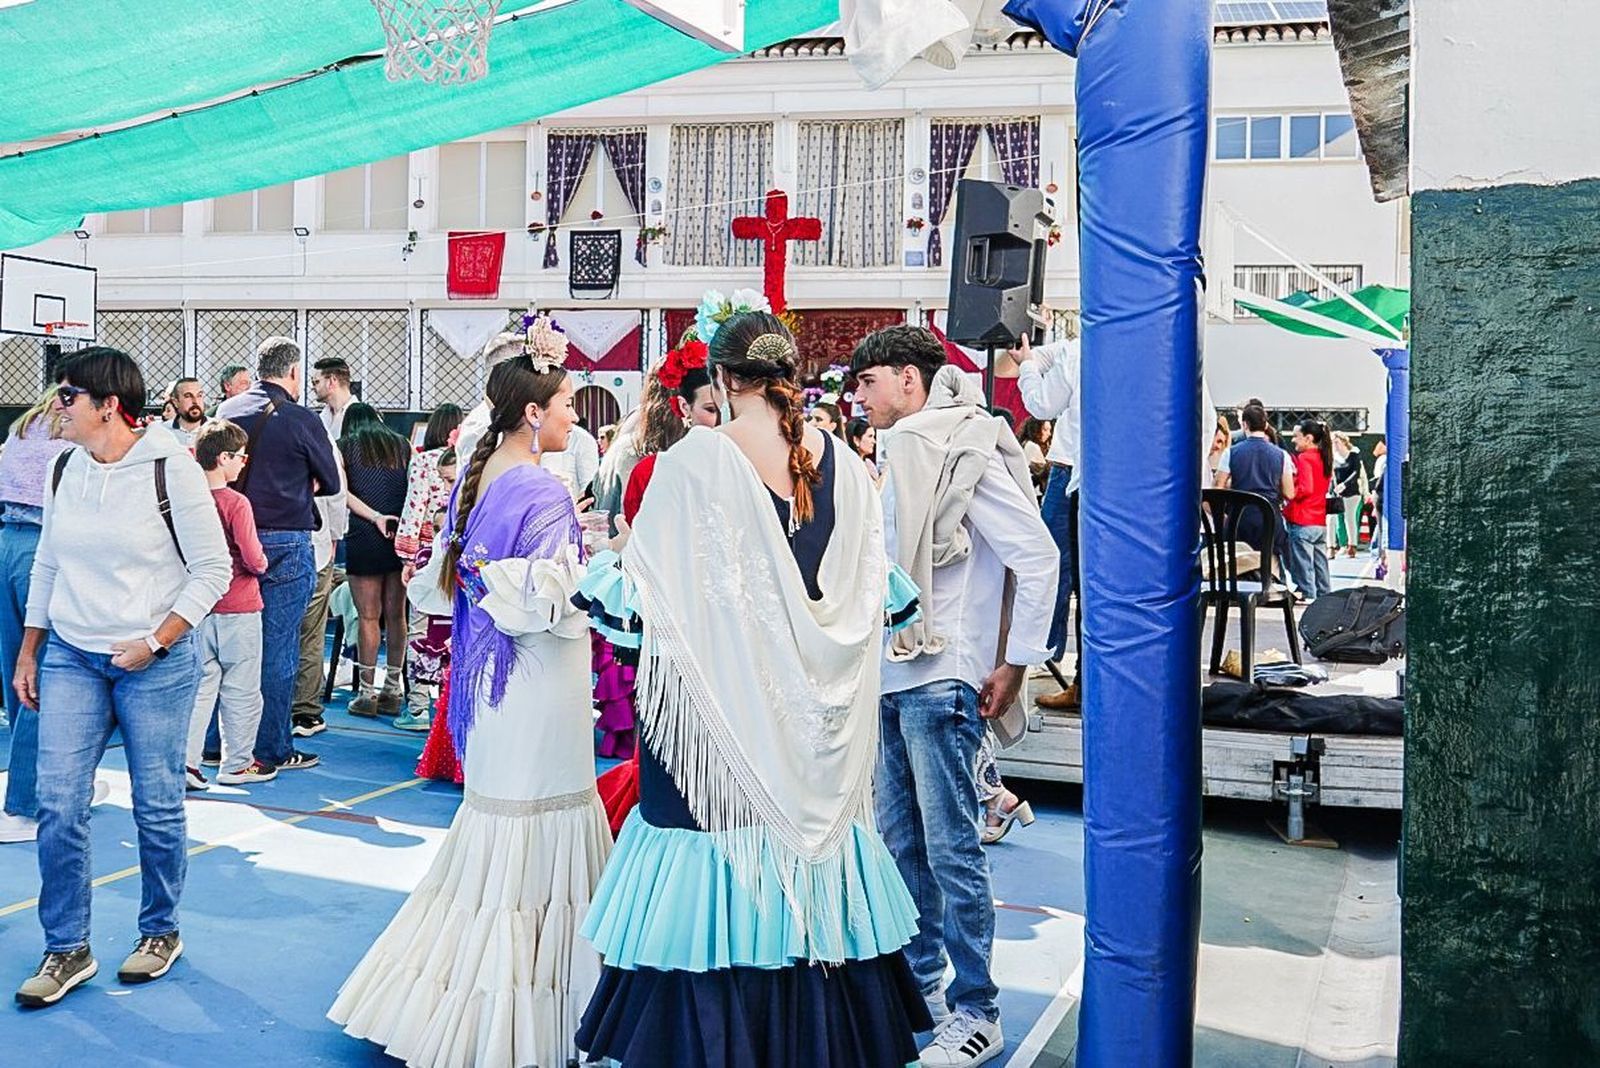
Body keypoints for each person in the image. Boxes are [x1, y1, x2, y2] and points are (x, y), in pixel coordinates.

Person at [575, 312, 930, 1068]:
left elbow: (647, 601)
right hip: (816, 739)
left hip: (713, 734)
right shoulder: (845, 462)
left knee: (704, 877)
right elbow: (871, 595)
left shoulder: (698, 460)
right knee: (802, 866)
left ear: (721, 379)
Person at [329, 325, 611, 1068]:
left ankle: (461, 994)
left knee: (500, 822)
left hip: (488, 676)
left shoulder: (474, 476)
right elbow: (550, 596)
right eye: (567, 406)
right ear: (531, 414)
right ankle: (536, 1005)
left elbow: (455, 578)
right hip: (538, 673)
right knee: (538, 817)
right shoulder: (541, 486)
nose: (573, 418)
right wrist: (604, 566)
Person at [853, 325, 1057, 1067]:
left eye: (869, 383)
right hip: (891, 674)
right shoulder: (906, 454)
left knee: (953, 851)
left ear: (909, 378)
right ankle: (924, 996)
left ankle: (977, 1010)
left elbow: (1037, 557)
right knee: (903, 851)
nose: (860, 398)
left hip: (944, 677)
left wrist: (1015, 661)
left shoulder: (962, 448)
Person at [13, 348, 231, 1006]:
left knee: (157, 807)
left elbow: (213, 570)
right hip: (72, 656)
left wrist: (156, 642)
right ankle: (66, 948)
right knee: (56, 805)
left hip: (153, 665)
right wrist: (31, 649)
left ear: (109, 406)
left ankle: (159, 931)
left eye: (70, 396)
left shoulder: (172, 469)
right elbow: (48, 563)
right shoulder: (64, 470)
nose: (58, 405)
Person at [217, 336, 342, 771]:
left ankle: (218, 741)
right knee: (278, 646)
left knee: (223, 645)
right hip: (286, 537)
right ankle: (270, 747)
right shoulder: (302, 419)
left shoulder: (227, 411)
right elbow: (332, 480)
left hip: (230, 537)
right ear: (293, 373)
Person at [183, 421, 275, 790]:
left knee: (201, 689)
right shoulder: (237, 503)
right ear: (223, 458)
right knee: (242, 690)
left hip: (197, 607)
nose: (243, 462)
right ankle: (237, 763)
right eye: (239, 456)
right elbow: (253, 558)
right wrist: (263, 564)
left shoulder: (188, 502)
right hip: (239, 607)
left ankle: (187, 764)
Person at [0, 388, 74, 844]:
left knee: (15, 670)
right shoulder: (72, 443)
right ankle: (25, 802)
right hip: (40, 550)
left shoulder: (19, 431)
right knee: (41, 677)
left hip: (6, 541)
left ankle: (30, 784)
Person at [1013, 332, 1082, 713]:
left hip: (1071, 469)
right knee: (1087, 581)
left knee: (1048, 565)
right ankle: (1065, 664)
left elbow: (1041, 404)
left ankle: (1045, 651)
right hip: (1107, 476)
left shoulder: (1077, 349)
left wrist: (1025, 364)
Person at [392, 402, 463, 731]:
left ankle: (418, 706)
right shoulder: (469, 462)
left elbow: (413, 508)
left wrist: (407, 556)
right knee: (457, 628)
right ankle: (452, 701)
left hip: (427, 552)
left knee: (421, 627)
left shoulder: (422, 461)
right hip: (462, 554)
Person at [337, 403, 411, 717]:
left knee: (368, 617)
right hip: (399, 532)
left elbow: (342, 493)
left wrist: (374, 515)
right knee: (397, 615)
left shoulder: (343, 448)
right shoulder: (402, 444)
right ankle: (393, 688)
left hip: (364, 533)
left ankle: (366, 693)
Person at [1214, 404, 1296, 572]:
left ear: (1244, 425)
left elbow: (1218, 488)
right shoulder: (1282, 455)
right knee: (1271, 565)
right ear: (1266, 425)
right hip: (1269, 519)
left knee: (1237, 565)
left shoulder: (1231, 453)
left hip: (1239, 519)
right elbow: (1289, 493)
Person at [1286, 419, 1334, 601]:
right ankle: (1326, 600)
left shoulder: (1305, 458)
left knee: (1304, 566)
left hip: (1303, 518)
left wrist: (1289, 492)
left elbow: (1306, 488)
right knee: (1321, 566)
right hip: (1319, 519)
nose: (1293, 440)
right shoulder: (1324, 457)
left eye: (1296, 437)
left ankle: (1309, 598)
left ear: (1308, 438)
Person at [1330, 432, 1366, 558]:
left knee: (1349, 518)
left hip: (1351, 492)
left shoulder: (1353, 455)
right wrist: (1334, 487)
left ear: (1344, 442)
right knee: (1332, 519)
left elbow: (1356, 472)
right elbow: (1331, 475)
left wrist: (1344, 484)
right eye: (1333, 443)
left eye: (1337, 442)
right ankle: (1333, 546)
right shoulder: (1333, 457)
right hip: (1336, 493)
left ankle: (1352, 546)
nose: (1335, 445)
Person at [310, 356, 354, 440]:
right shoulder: (324, 415)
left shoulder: (362, 416)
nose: (312, 387)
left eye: (316, 382)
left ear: (332, 381)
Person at [166, 377, 206, 447]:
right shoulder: (163, 431)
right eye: (188, 396)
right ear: (175, 402)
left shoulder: (218, 430)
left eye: (199, 395)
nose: (195, 402)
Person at [1017, 417, 1052, 497]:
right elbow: (1042, 472)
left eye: (1050, 430)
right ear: (1036, 430)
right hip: (1034, 493)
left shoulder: (1025, 443)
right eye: (1045, 430)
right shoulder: (1033, 447)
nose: (1049, 434)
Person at [846, 415, 880, 480]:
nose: (874, 441)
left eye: (874, 437)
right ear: (856, 440)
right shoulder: (849, 466)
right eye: (870, 436)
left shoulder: (868, 463)